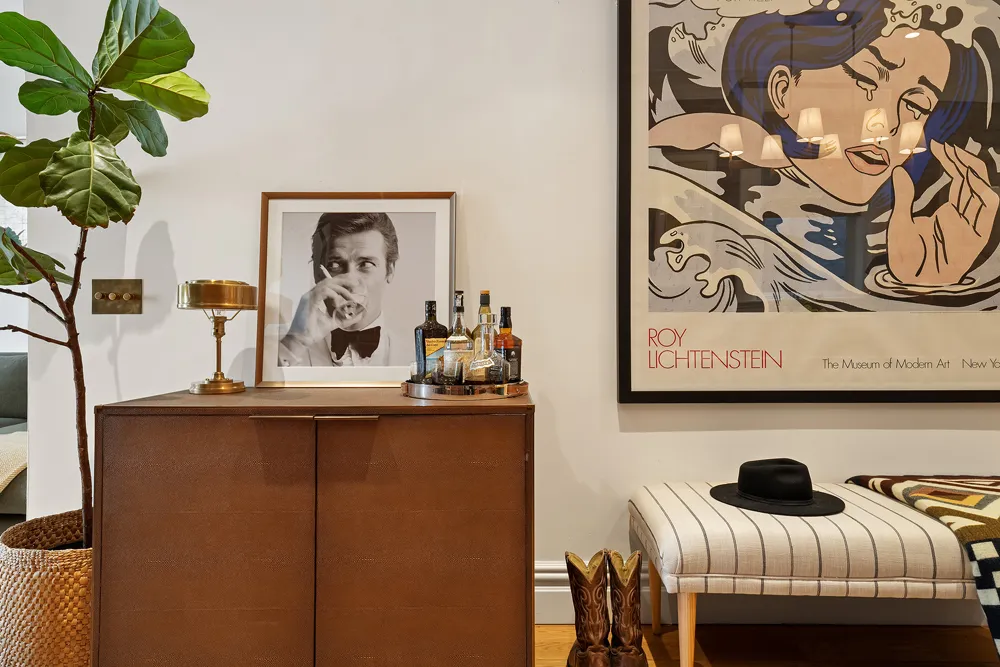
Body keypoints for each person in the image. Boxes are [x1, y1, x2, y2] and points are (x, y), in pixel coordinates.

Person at [647, 0, 998, 303]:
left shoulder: (897, 231)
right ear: (782, 90)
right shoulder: (687, 185)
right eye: (866, 80)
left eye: (916, 106)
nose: (888, 125)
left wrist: (925, 285)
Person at [279, 212, 399, 366]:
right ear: (317, 275)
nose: (350, 282)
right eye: (335, 265)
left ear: (390, 271)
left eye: (365, 264)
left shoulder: (415, 350)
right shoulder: (281, 348)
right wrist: (296, 342)